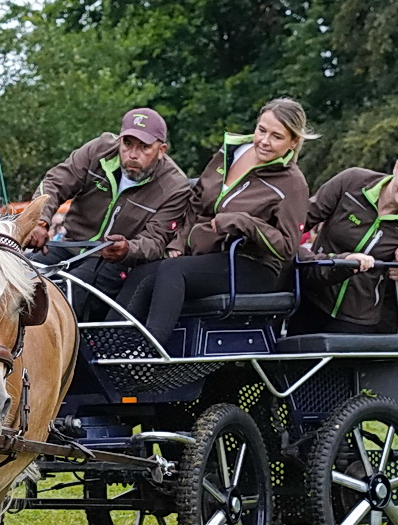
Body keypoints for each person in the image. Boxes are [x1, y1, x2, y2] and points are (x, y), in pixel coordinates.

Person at [115, 99, 316, 344]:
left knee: (172, 271)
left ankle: (151, 354)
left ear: (293, 142)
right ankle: (109, 346)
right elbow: (196, 200)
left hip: (254, 266)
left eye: (277, 137)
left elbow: (287, 246)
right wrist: (178, 243)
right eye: (261, 130)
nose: (264, 141)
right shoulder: (230, 152)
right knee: (143, 272)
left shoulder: (292, 183)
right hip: (206, 254)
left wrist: (245, 222)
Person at [24, 107, 193, 318]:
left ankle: (69, 348)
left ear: (161, 150)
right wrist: (39, 222)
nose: (132, 154)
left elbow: (156, 241)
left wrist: (129, 248)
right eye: (127, 144)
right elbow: (54, 183)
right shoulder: (99, 149)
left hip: (117, 261)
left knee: (67, 293)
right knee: (20, 275)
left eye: (144, 147)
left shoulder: (175, 186)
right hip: (70, 245)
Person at [298, 142, 398, 334]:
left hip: (357, 318)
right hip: (310, 297)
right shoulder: (352, 181)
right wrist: (307, 258)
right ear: (396, 167)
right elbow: (297, 226)